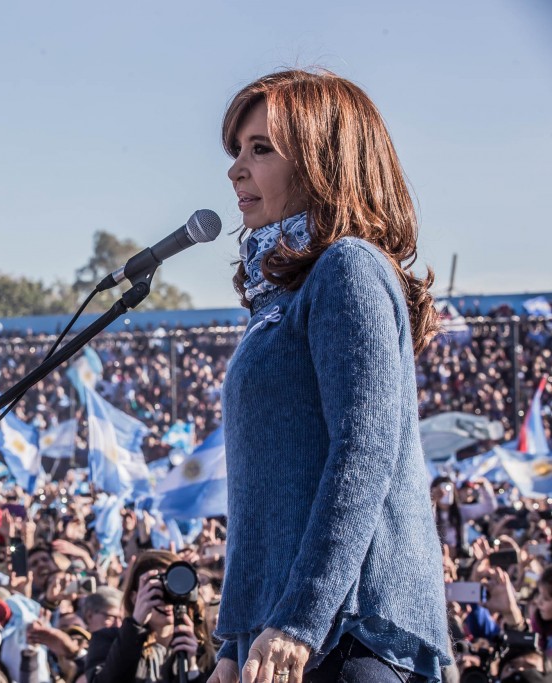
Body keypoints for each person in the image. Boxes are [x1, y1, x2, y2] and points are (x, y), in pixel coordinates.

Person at [207, 69, 451, 683]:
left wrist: (300, 620)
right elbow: (269, 496)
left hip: (351, 640)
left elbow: (363, 451)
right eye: (237, 150)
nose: (237, 169)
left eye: (261, 149)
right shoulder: (280, 299)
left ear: (323, 162)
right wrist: (233, 647)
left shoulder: (348, 267)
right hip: (289, 638)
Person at [86, 550, 213, 682]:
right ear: (135, 597)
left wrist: (192, 670)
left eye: (174, 587)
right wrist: (135, 626)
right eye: (157, 589)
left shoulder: (204, 648)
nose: (167, 599)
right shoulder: (108, 639)